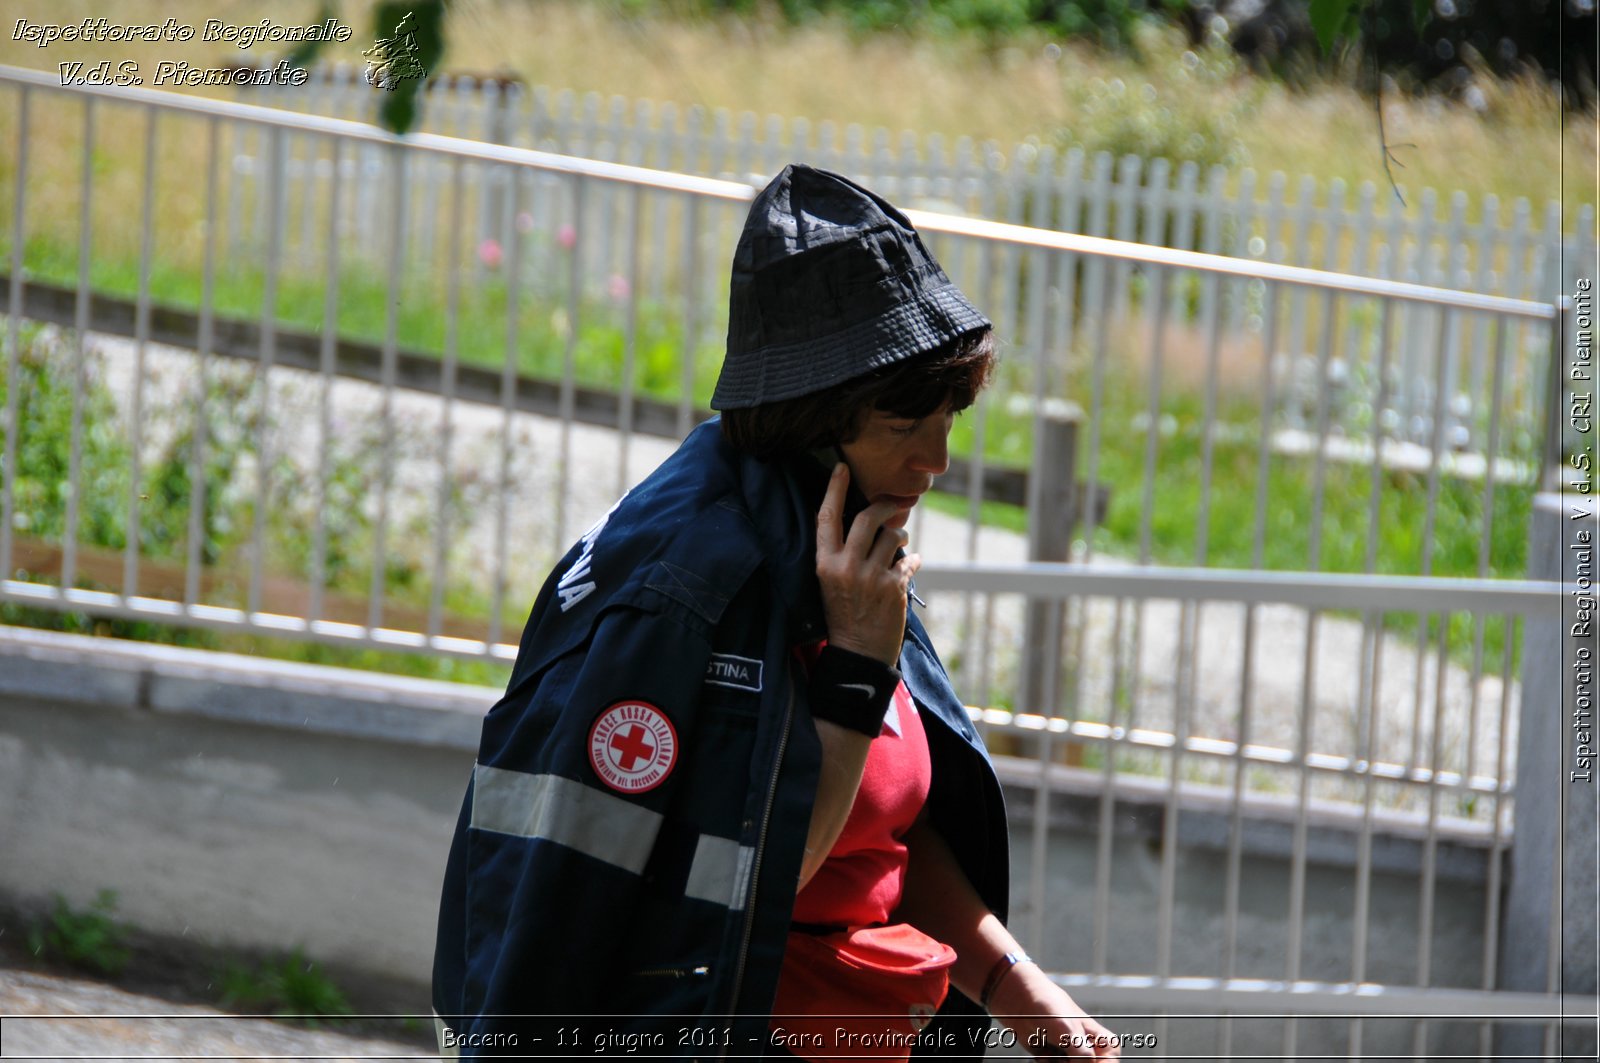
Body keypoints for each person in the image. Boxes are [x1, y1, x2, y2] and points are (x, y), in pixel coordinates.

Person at [431, 164, 1120, 1061]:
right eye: (906, 423)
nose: (938, 459)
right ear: (813, 416)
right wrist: (857, 676)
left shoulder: (833, 545)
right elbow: (743, 889)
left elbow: (884, 839)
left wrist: (1015, 986)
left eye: (950, 415)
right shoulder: (692, 584)